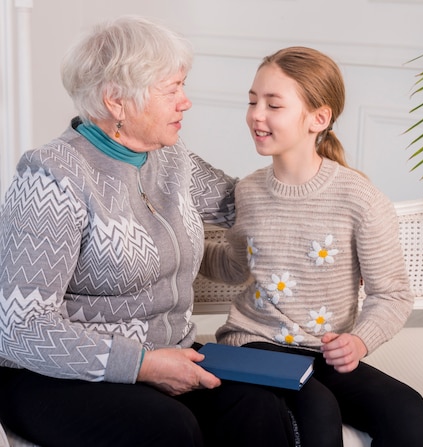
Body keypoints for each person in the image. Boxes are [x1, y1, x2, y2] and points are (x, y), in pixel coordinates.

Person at [0, 16, 296, 447]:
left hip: (169, 357)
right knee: (169, 429)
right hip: (50, 375)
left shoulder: (170, 158)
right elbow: (23, 327)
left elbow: (243, 204)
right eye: (172, 89)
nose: (186, 102)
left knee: (259, 410)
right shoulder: (52, 177)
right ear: (117, 102)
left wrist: (326, 199)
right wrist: (141, 365)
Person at [201, 46, 423, 446]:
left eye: (274, 104)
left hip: (319, 353)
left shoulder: (359, 198)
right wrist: (186, 247)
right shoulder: (249, 192)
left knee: (407, 407)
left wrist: (358, 341)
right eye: (253, 101)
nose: (257, 114)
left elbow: (391, 294)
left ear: (318, 118)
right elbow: (236, 266)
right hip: (254, 344)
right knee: (318, 409)